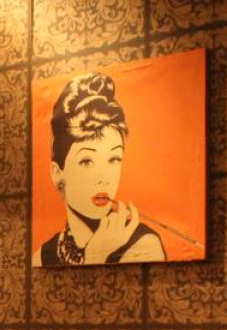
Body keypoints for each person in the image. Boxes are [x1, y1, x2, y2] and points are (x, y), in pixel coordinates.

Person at [35, 72, 166, 267]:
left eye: (113, 159)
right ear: (57, 174)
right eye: (86, 161)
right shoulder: (41, 257)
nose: (103, 178)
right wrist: (94, 256)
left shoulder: (143, 245)